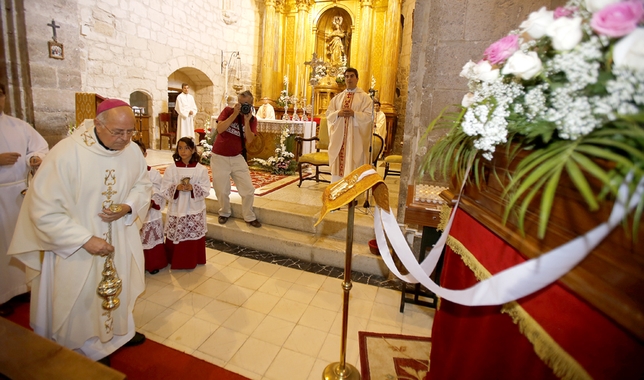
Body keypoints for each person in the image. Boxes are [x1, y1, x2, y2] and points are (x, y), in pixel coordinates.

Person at [7, 99, 152, 362]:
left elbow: (143, 185)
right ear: (98, 124)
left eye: (131, 131)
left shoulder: (131, 152)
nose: (125, 138)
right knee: (81, 297)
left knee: (119, 286)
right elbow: (43, 210)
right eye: (118, 132)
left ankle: (119, 334)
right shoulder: (66, 154)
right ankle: (87, 348)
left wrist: (128, 207)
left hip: (119, 234)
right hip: (74, 247)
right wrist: (84, 239)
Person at [0, 83, 49, 317]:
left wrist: (34, 159)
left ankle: (23, 287)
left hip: (17, 193)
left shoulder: (18, 125)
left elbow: (40, 147)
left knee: (20, 240)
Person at [211, 90, 261, 228]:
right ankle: (224, 212)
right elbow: (220, 129)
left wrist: (246, 120)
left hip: (237, 157)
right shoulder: (228, 111)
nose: (242, 106)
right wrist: (234, 114)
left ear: (251, 105)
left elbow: (250, 140)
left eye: (246, 104)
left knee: (248, 189)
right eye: (240, 103)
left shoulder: (252, 120)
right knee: (221, 189)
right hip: (219, 156)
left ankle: (249, 216)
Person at [161, 137, 209, 269]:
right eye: (180, 148)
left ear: (193, 150)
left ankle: (194, 259)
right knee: (177, 229)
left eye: (186, 148)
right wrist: (176, 188)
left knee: (192, 231)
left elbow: (206, 189)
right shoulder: (172, 169)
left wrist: (193, 188)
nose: (183, 151)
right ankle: (175, 259)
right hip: (178, 207)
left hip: (194, 207)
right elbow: (164, 188)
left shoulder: (200, 169)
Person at [326, 68, 374, 183]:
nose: (349, 79)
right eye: (347, 76)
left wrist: (355, 114)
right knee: (339, 166)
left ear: (357, 79)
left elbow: (369, 117)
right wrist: (338, 113)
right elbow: (329, 115)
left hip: (355, 139)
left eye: (352, 76)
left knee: (354, 162)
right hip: (339, 139)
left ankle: (354, 195)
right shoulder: (337, 98)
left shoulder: (365, 98)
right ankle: (338, 191)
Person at [134, 140, 167, 274]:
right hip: (132, 211)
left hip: (150, 210)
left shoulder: (152, 173)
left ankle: (153, 263)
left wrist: (152, 202)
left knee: (150, 236)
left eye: (140, 153)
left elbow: (159, 189)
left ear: (145, 154)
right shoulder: (125, 172)